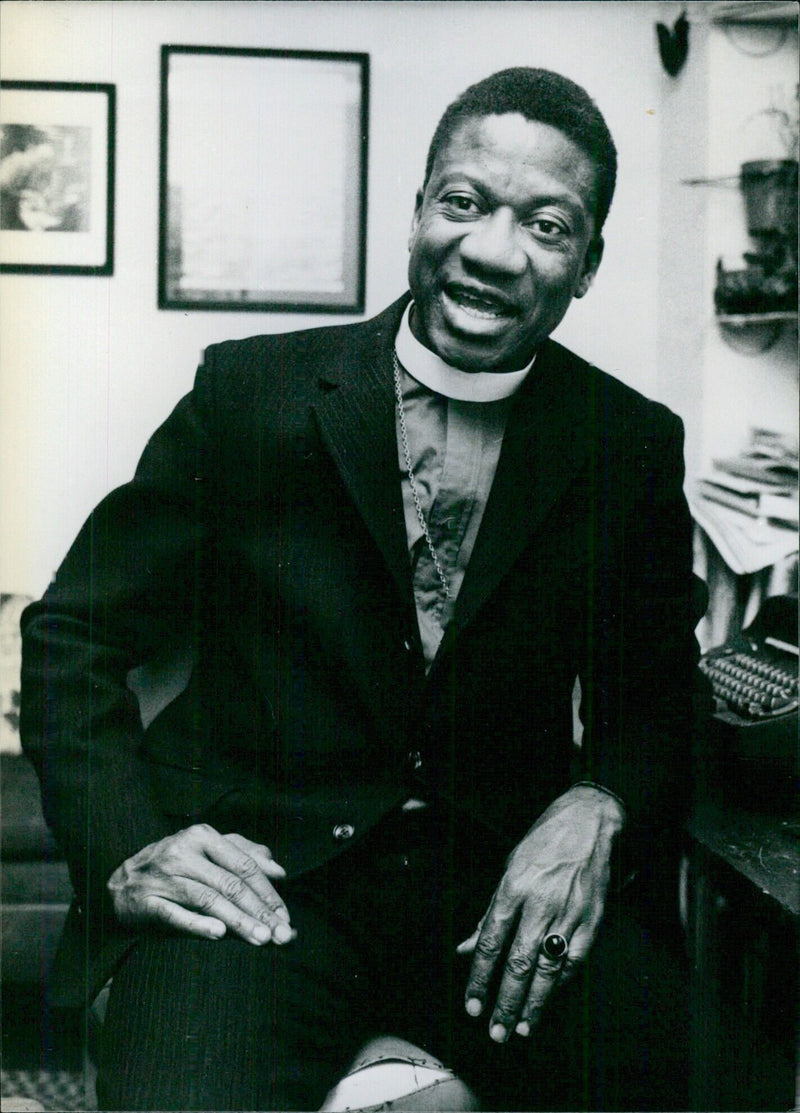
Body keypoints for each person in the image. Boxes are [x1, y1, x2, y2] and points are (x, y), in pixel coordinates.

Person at [20, 68, 704, 1111]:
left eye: (546, 224)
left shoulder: (627, 444)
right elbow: (73, 631)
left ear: (586, 264)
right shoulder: (250, 395)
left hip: (497, 899)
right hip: (264, 891)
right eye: (462, 202)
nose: (488, 251)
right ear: (420, 208)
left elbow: (657, 695)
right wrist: (129, 841)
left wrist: (597, 801)